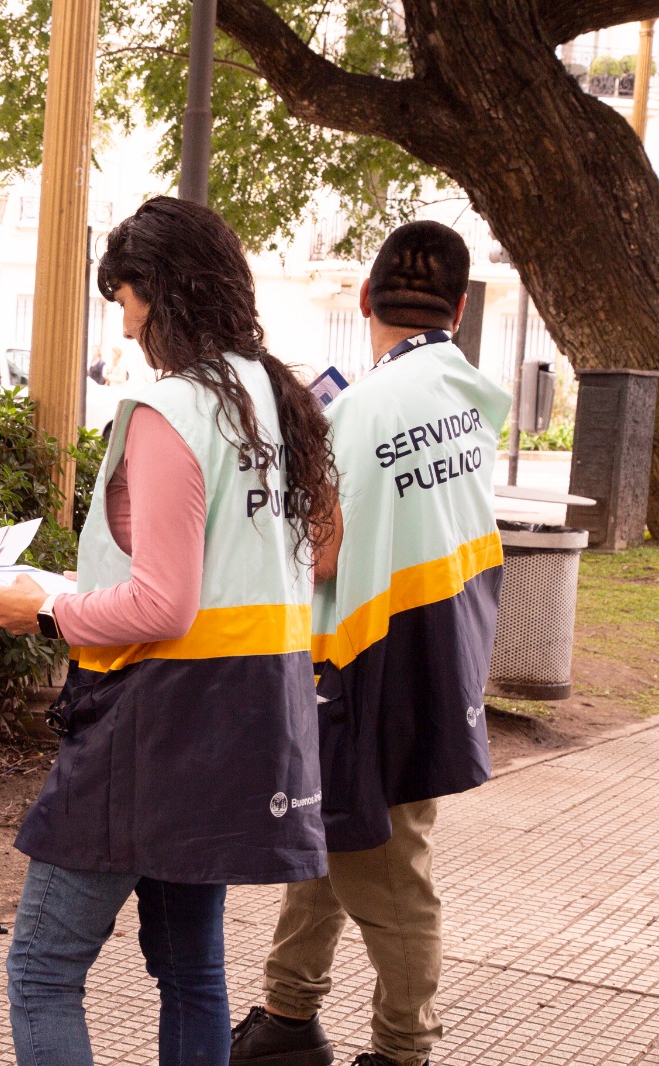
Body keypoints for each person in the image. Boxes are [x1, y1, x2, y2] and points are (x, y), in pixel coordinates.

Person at [0, 196, 338, 1066]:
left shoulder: (171, 407)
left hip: (157, 723)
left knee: (42, 971)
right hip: (252, 716)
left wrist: (50, 606)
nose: (128, 326)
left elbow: (164, 608)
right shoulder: (273, 396)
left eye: (126, 300)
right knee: (192, 970)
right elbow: (296, 560)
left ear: (157, 294)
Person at [228, 222, 512, 1066]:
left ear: (364, 300)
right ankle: (287, 1013)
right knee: (334, 838)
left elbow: (317, 550)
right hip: (441, 650)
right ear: (458, 310)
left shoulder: (353, 411)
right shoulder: (463, 396)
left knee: (386, 872)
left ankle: (402, 1051)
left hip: (361, 663)